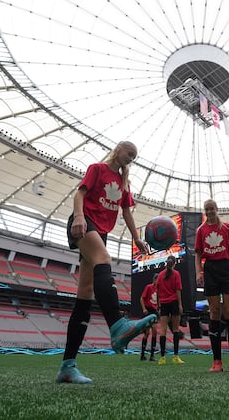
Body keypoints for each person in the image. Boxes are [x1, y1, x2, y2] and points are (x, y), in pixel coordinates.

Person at [56, 141, 158, 384]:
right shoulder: (97, 169)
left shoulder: (124, 183)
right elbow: (80, 193)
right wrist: (79, 217)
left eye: (134, 157)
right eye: (129, 153)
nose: (130, 159)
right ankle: (118, 325)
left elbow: (126, 212)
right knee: (104, 258)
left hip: (100, 232)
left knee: (85, 293)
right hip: (84, 223)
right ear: (118, 149)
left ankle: (67, 367)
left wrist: (136, 238)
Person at [195, 198, 229, 373]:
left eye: (212, 209)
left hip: (226, 268)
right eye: (206, 209)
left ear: (217, 209)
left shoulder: (227, 228)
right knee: (214, 312)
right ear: (205, 211)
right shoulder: (200, 231)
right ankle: (217, 361)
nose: (209, 212)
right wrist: (199, 272)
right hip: (210, 270)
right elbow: (198, 254)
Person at [156, 255, 185, 365]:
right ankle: (175, 357)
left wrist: (158, 305)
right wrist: (180, 305)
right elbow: (178, 290)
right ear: (174, 263)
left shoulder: (160, 275)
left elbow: (157, 291)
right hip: (173, 303)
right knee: (176, 330)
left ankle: (162, 358)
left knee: (163, 330)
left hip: (163, 303)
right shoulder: (176, 274)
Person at [139, 273, 159, 361]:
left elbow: (158, 301)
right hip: (148, 310)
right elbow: (142, 298)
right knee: (146, 333)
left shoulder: (159, 289)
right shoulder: (149, 287)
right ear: (154, 280)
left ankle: (152, 355)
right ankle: (142, 354)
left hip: (154, 312)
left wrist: (158, 308)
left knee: (155, 331)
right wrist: (144, 309)